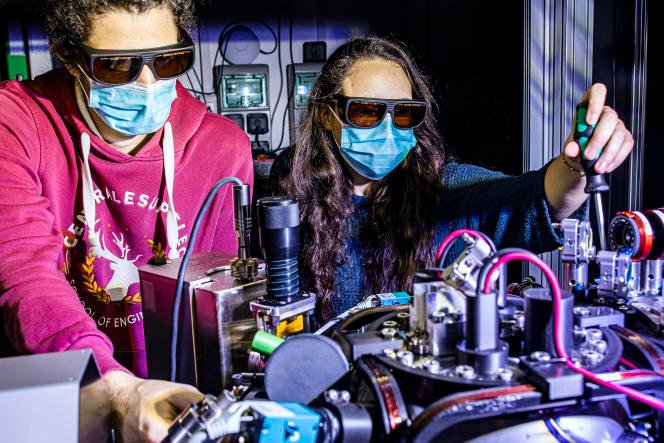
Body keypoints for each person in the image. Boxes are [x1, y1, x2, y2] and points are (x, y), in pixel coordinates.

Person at [0, 0, 252, 440]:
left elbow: (214, 297)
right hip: (56, 395)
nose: (148, 82)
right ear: (68, 56)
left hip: (171, 400)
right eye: (117, 65)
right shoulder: (17, 123)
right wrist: (118, 391)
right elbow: (23, 271)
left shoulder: (223, 147)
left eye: (169, 60)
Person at [272, 36, 633, 319]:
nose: (386, 128)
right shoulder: (291, 198)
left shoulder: (446, 191)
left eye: (403, 114)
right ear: (326, 115)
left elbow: (537, 199)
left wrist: (577, 165)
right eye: (366, 111)